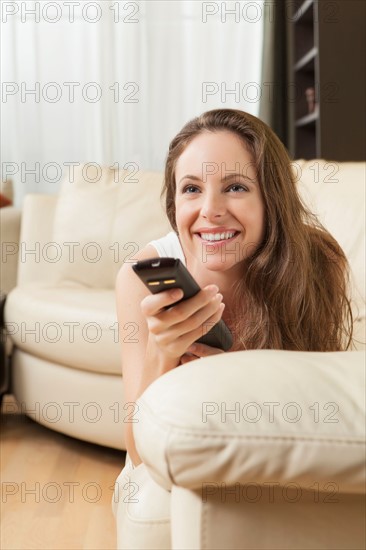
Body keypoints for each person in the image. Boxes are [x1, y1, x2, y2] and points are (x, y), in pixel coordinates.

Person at [112, 108, 354, 546]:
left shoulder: (318, 262)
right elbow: (136, 450)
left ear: (272, 199)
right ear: (174, 206)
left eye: (236, 187)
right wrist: (161, 354)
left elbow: (323, 410)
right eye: (191, 190)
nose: (210, 211)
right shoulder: (139, 277)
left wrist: (238, 378)